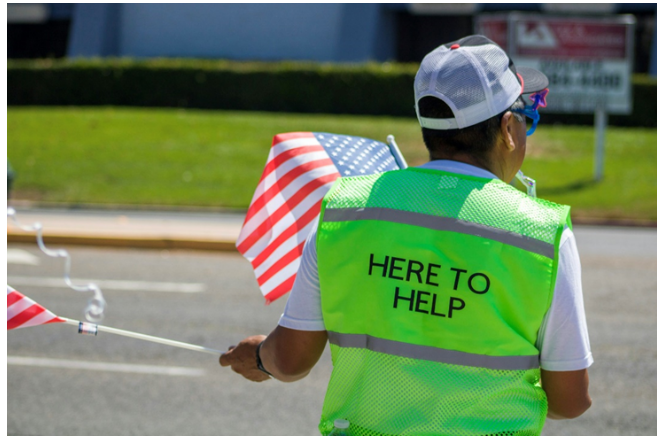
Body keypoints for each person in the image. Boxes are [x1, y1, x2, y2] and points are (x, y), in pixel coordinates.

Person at [219, 35, 593, 436]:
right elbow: (570, 401)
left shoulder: (346, 208)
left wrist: (259, 356)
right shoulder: (541, 234)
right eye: (526, 119)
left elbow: (290, 360)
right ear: (506, 127)